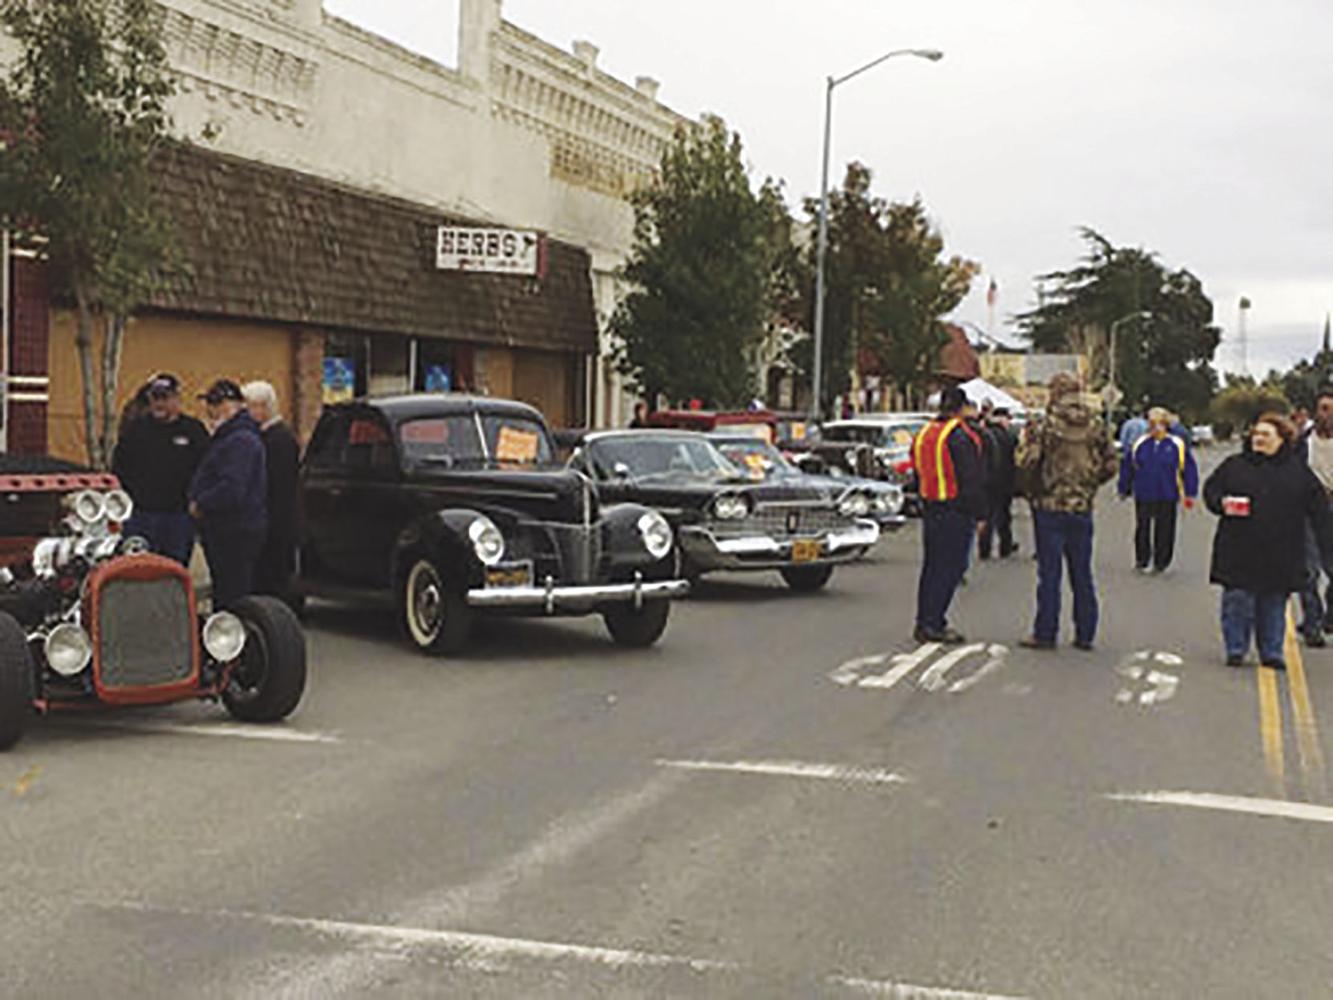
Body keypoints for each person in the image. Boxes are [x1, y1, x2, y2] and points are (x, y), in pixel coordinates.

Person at [1204, 413, 1327, 669]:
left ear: (1282, 440)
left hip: (1280, 550)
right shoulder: (1234, 465)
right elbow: (1212, 490)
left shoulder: (1297, 472)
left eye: (1266, 435)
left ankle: (1271, 652)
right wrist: (1221, 503)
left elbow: (1318, 508)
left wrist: (1325, 541)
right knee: (1237, 600)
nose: (1258, 439)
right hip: (1238, 547)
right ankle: (1235, 648)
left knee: (1272, 604)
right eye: (1256, 434)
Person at [1015, 373, 1119, 650]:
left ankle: (1045, 632)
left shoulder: (1044, 425)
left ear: (1055, 393)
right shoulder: (1096, 425)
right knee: (1082, 572)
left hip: (1049, 506)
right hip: (1081, 507)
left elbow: (1029, 462)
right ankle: (1085, 633)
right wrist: (1089, 485)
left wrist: (1030, 489)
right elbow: (1111, 464)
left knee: (1049, 574)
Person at [911, 386, 987, 644]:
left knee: (931, 567)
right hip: (956, 509)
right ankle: (935, 623)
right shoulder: (960, 436)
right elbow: (971, 477)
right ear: (962, 407)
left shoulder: (925, 433)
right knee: (950, 569)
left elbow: (916, 470)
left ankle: (924, 620)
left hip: (931, 506)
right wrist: (980, 515)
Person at [111, 373, 210, 565]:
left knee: (175, 571)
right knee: (137, 569)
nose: (159, 404)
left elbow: (207, 469)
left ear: (177, 400)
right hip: (141, 516)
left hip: (178, 518)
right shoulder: (135, 430)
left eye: (165, 398)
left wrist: (197, 501)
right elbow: (119, 467)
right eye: (155, 398)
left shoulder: (193, 430)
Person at [189, 379, 268, 609]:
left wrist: (201, 503)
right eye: (210, 403)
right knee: (225, 589)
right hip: (225, 529)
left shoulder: (240, 440)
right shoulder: (228, 437)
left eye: (216, 403)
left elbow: (233, 488)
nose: (211, 410)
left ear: (233, 405)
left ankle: (233, 636)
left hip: (234, 530)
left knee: (232, 594)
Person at [1118, 406, 1199, 573]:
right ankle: (1142, 559)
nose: (1155, 427)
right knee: (1143, 527)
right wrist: (1124, 487)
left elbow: (1188, 469)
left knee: (1165, 528)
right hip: (1144, 492)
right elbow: (1128, 467)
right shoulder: (1140, 444)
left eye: (1159, 423)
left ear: (1166, 424)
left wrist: (1190, 492)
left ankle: (1161, 562)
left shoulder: (1177, 444)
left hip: (1167, 493)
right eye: (1152, 423)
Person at [242, 380, 300, 603]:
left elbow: (278, 487)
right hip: (268, 522)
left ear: (264, 407)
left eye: (250, 407)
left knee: (272, 581)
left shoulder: (279, 440)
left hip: (276, 525)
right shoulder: (261, 437)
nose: (246, 413)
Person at [1297, 388, 1333, 646]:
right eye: (1324, 408)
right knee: (1308, 572)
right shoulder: (1302, 444)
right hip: (1309, 513)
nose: (1328, 415)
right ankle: (1312, 623)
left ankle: (1329, 617)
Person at [978, 406, 1018, 559]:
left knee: (986, 515)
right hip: (1004, 481)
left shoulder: (983, 435)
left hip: (985, 481)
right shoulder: (1009, 436)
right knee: (1003, 515)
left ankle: (984, 548)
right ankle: (1005, 546)